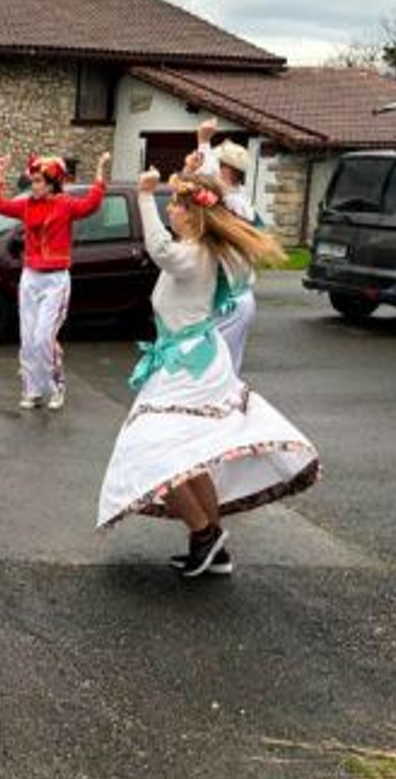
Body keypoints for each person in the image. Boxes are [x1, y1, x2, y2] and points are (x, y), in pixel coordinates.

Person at [98, 166, 319, 577]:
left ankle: (203, 534)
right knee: (188, 455)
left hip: (189, 364)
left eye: (180, 205)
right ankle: (212, 544)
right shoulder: (197, 248)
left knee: (154, 452)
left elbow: (160, 251)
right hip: (181, 359)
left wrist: (146, 197)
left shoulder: (196, 252)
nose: (173, 210)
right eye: (173, 204)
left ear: (196, 214)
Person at [0, 152, 109, 410]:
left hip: (55, 280)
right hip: (30, 277)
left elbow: (92, 204)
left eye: (39, 181)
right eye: (33, 181)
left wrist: (99, 170)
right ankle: (32, 390)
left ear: (52, 183)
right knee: (28, 337)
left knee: (44, 337)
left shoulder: (65, 204)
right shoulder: (27, 205)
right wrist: (0, 172)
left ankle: (55, 386)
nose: (34, 185)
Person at [193, 118, 259, 372]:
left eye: (219, 164)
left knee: (220, 367)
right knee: (225, 364)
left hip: (232, 300)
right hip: (232, 297)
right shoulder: (236, 200)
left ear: (228, 171)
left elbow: (206, 179)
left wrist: (203, 141)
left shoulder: (235, 202)